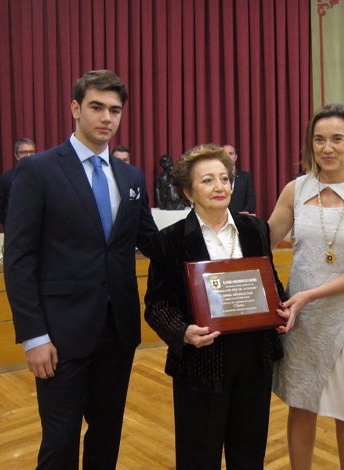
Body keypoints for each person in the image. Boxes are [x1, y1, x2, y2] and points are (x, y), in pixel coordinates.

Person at [3, 70, 158, 470]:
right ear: (75, 108)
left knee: (107, 436)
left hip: (118, 331)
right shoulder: (37, 171)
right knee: (60, 441)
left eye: (115, 110)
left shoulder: (131, 176)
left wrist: (214, 234)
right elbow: (18, 259)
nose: (107, 117)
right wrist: (33, 336)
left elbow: (152, 242)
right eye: (96, 107)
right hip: (59, 335)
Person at [144, 143, 286, 470]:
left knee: (249, 454)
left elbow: (271, 284)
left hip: (254, 358)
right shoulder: (170, 240)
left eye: (225, 178)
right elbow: (156, 304)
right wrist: (183, 332)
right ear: (187, 191)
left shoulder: (255, 230)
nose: (220, 186)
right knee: (199, 456)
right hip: (201, 361)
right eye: (207, 180)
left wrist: (280, 309)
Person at [268, 103, 344, 470]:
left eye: (337, 139)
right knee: (301, 406)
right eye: (319, 139)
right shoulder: (295, 189)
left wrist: (309, 295)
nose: (327, 147)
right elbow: (263, 241)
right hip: (301, 322)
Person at [0, 137, 36, 226]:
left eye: (31, 152)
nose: (28, 155)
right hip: (16, 232)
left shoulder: (44, 175)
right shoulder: (6, 179)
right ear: (16, 155)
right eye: (23, 152)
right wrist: (12, 225)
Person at [223, 143, 256, 214]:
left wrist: (246, 211)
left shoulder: (245, 177)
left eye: (230, 153)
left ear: (236, 157)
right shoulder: (214, 177)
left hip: (241, 218)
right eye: (224, 154)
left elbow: (251, 198)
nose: (227, 156)